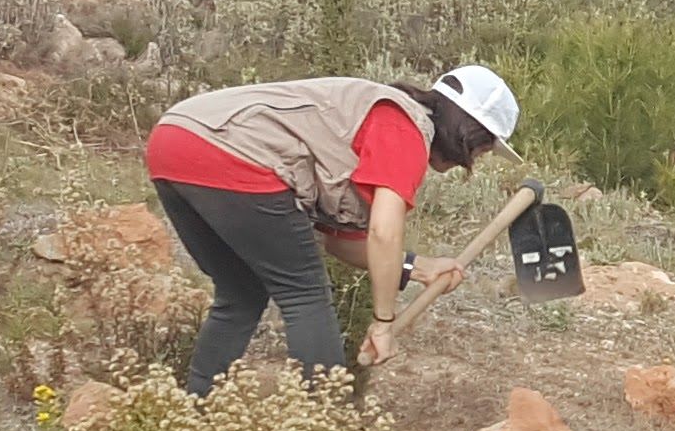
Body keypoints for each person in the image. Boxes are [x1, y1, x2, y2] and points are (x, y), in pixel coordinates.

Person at [144, 64, 520, 390]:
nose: (478, 159)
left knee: (241, 292)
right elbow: (384, 233)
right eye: (484, 148)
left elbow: (341, 243)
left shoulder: (380, 116)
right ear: (468, 132)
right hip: (233, 153)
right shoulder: (403, 127)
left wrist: (419, 268)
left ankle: (197, 411)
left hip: (175, 141)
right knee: (305, 295)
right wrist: (383, 323)